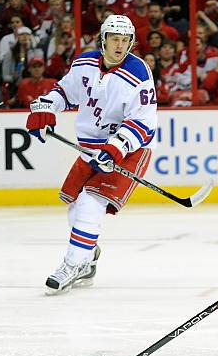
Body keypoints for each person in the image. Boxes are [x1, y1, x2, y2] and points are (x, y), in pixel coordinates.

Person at [24, 15, 157, 294]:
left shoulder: (139, 73)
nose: (120, 46)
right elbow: (64, 92)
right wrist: (45, 109)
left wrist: (115, 148)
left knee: (90, 204)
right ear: (103, 39)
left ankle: (72, 264)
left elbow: (144, 123)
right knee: (75, 208)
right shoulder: (84, 63)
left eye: (125, 40)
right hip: (90, 147)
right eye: (114, 39)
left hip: (130, 150)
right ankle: (87, 257)